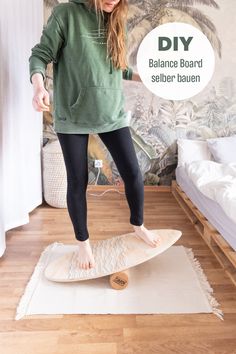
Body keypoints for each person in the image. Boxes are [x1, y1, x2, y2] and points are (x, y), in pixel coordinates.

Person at [29, 0, 161, 270]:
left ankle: (138, 225)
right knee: (78, 181)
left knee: (133, 174)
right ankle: (83, 242)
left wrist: (142, 77)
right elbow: (40, 55)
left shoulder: (117, 18)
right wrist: (38, 87)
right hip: (73, 116)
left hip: (111, 112)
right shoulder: (66, 14)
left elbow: (116, 64)